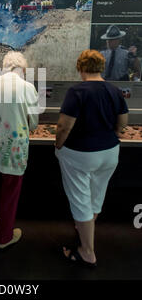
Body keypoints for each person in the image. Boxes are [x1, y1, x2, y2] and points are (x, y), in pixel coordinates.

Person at [55, 49, 128, 267]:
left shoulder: (77, 91)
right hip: (109, 153)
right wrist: (109, 137)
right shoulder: (115, 91)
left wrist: (58, 145)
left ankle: (87, 252)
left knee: (80, 200)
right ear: (101, 67)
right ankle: (85, 226)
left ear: (80, 68)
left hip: (80, 154)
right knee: (97, 195)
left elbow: (63, 126)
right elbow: (122, 124)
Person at [0, 51, 39, 249]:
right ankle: (4, 236)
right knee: (10, 191)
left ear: (5, 66)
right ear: (23, 68)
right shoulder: (28, 87)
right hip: (14, 147)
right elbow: (33, 124)